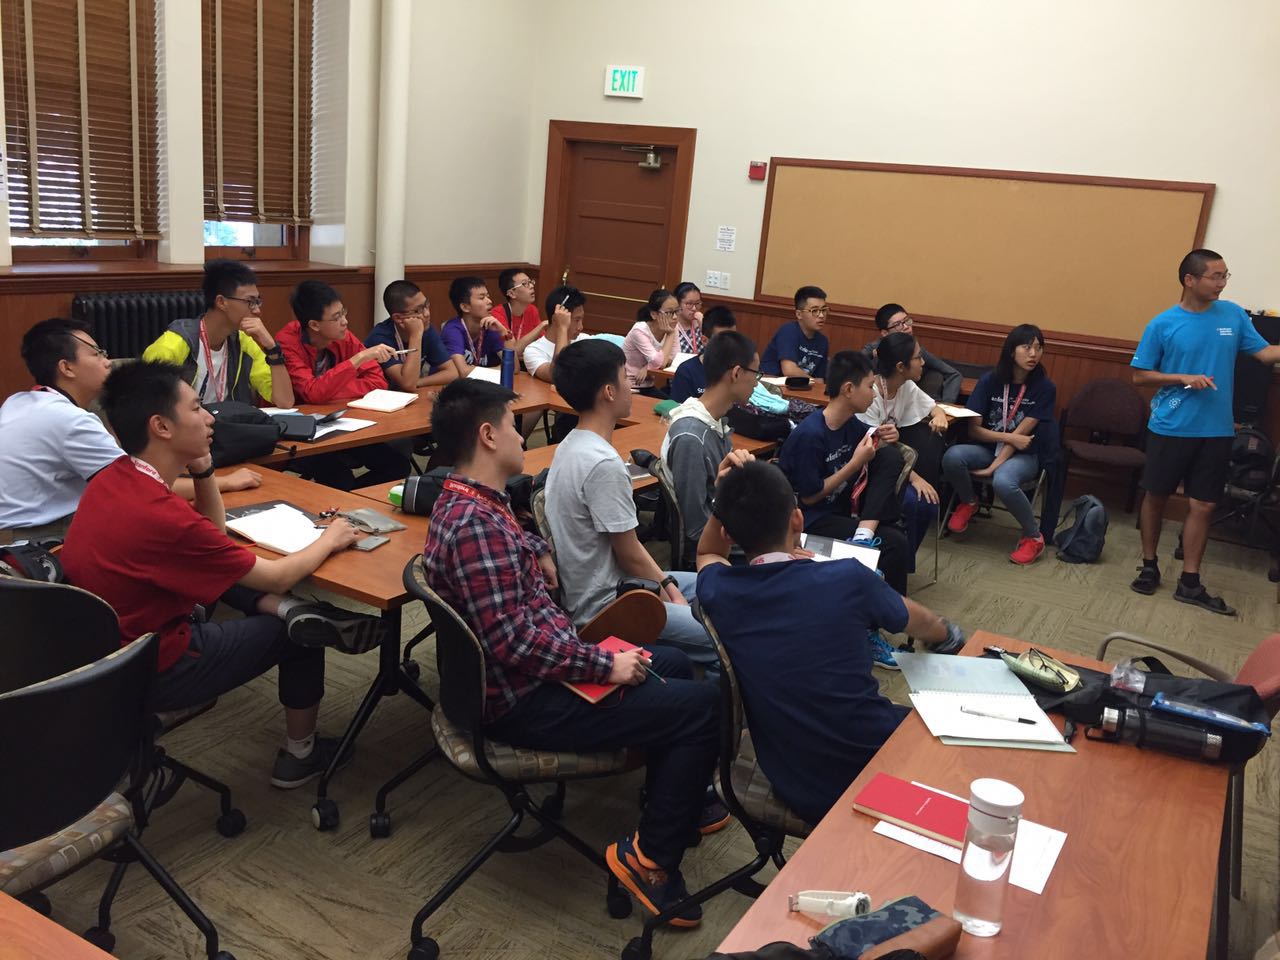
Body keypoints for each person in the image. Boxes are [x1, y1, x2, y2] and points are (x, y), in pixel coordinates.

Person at [423, 377, 720, 925]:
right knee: (703, 708)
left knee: (675, 663)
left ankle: (669, 803)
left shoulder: (468, 500)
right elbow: (515, 642)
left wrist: (535, 548)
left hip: (533, 669)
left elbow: (508, 544)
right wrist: (606, 665)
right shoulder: (476, 529)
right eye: (513, 427)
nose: (522, 437)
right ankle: (651, 862)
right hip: (524, 699)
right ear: (488, 436)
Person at [61, 361, 382, 789]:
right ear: (161, 426)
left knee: (228, 573)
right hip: (155, 663)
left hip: (102, 649)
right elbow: (275, 576)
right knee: (302, 634)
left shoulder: (113, 478)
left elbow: (211, 540)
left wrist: (203, 469)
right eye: (197, 408)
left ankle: (290, 610)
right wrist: (331, 538)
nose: (210, 417)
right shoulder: (162, 516)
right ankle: (300, 755)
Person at [696, 459, 964, 825]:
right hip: (880, 766)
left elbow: (707, 554)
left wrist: (722, 501)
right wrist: (948, 635)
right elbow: (924, 623)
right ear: (797, 520)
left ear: (728, 533)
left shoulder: (721, 592)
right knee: (962, 735)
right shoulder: (847, 578)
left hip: (796, 783)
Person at [0, 318, 261, 543]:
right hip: (38, 542)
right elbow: (139, 486)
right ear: (66, 367)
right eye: (97, 354)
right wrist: (225, 481)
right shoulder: (70, 420)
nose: (107, 362)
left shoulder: (18, 402)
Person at [546, 339, 717, 672]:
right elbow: (630, 555)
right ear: (609, 392)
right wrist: (669, 591)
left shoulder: (571, 444)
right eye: (625, 376)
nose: (631, 385)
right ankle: (712, 699)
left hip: (612, 583)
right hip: (607, 604)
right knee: (722, 639)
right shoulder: (602, 464)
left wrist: (667, 586)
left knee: (715, 584)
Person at [1130, 249, 1280, 614]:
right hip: (1170, 426)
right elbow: (1140, 375)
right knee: (1157, 496)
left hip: (1216, 430)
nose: (1222, 283)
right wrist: (1180, 377)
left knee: (1205, 504)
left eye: (1225, 275)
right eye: (1216, 276)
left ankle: (1190, 581)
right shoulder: (1163, 324)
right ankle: (1149, 565)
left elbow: (1264, 354)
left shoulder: (1233, 315)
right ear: (1190, 280)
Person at [777, 350, 912, 669]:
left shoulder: (851, 425)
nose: (875, 393)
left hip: (837, 517)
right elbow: (810, 498)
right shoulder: (810, 435)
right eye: (869, 386)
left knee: (889, 459)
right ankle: (865, 633)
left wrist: (886, 437)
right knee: (891, 545)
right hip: (807, 527)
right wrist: (854, 464)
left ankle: (864, 538)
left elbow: (873, 450)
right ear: (849, 389)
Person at [276, 280, 410, 488]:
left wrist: (329, 390)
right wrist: (358, 359)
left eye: (343, 313)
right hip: (302, 432)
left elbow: (377, 381)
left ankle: (352, 500)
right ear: (314, 325)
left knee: (397, 466)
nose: (345, 322)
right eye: (336, 317)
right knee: (339, 478)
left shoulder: (342, 335)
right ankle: (342, 502)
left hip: (341, 422)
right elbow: (312, 392)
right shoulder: (287, 341)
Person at [942, 324, 1057, 565]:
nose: (1033, 354)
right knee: (952, 456)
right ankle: (969, 501)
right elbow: (974, 429)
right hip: (988, 448)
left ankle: (1034, 537)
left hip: (1023, 455)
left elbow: (1022, 437)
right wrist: (1009, 438)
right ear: (1011, 351)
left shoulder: (1044, 388)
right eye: (1027, 347)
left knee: (1003, 481)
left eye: (1038, 348)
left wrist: (994, 467)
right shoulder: (990, 381)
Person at [660, 330, 759, 564]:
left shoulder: (713, 419)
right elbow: (696, 529)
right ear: (736, 373)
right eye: (756, 374)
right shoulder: (691, 437)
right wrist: (764, 543)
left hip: (729, 532)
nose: (757, 382)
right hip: (711, 555)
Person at [143, 258, 294, 408]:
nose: (257, 310)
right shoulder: (174, 344)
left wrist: (272, 348)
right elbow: (148, 406)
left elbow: (285, 401)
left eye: (257, 301)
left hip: (226, 422)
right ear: (221, 302)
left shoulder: (243, 343)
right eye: (250, 302)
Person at [857, 332, 949, 567]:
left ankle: (900, 567)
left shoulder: (905, 386)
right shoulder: (870, 392)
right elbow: (873, 446)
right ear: (900, 366)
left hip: (893, 464)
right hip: (867, 471)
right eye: (918, 357)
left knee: (926, 503)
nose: (923, 362)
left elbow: (933, 407)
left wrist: (939, 415)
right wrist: (915, 478)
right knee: (914, 501)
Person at [364, 280, 463, 391]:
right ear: (398, 318)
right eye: (418, 310)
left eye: (426, 305)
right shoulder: (379, 338)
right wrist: (415, 336)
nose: (427, 313)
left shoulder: (427, 330)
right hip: (378, 396)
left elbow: (452, 373)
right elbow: (407, 384)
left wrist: (418, 382)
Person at [862, 303, 962, 402]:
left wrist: (946, 405)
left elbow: (953, 374)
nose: (906, 327)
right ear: (885, 333)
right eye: (897, 325)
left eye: (907, 320)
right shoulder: (872, 351)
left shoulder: (916, 351)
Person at [440, 276, 515, 371]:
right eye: (482, 298)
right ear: (465, 307)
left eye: (488, 296)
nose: (489, 301)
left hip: (481, 380)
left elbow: (514, 368)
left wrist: (503, 332)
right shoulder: (452, 330)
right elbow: (463, 371)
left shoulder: (491, 327)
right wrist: (500, 369)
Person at [669, 306, 738, 403]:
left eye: (733, 337)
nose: (729, 344)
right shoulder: (687, 371)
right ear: (704, 340)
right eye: (721, 339)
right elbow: (680, 409)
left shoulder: (740, 367)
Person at [760, 285, 830, 379]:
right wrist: (813, 382)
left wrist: (815, 383)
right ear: (799, 314)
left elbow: (820, 379)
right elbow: (789, 371)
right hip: (771, 383)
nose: (821, 315)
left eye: (824, 310)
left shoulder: (823, 341)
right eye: (815, 310)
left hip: (800, 386)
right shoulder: (788, 331)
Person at [523, 285, 588, 384]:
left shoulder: (585, 341)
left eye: (581, 319)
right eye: (576, 320)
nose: (580, 327)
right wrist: (562, 328)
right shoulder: (534, 350)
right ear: (556, 319)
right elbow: (556, 376)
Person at [623, 289, 679, 396]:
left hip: (648, 385)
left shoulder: (672, 327)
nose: (675, 317)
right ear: (654, 314)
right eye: (669, 312)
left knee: (672, 404)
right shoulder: (639, 330)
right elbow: (659, 362)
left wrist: (647, 367)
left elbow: (674, 357)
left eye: (677, 311)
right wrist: (670, 334)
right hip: (630, 386)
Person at [490, 267, 548, 361]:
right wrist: (541, 325)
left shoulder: (532, 310)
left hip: (526, 361)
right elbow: (511, 353)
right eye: (525, 284)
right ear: (511, 293)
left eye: (531, 282)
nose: (531, 286)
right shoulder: (497, 314)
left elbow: (542, 344)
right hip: (503, 365)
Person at [672, 281, 705, 355]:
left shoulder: (700, 324)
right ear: (677, 303)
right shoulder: (671, 326)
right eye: (689, 304)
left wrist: (704, 325)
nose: (694, 308)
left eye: (697, 303)